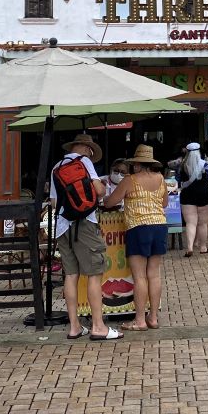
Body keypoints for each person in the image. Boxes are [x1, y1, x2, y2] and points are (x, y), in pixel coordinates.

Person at [50, 133, 122, 341]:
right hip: (86, 224)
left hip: (63, 227)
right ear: (86, 148)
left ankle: (74, 327)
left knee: (71, 275)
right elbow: (99, 191)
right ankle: (98, 326)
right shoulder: (85, 162)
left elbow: (55, 203)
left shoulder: (56, 167)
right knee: (94, 274)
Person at [105, 145, 167, 331]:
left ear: (137, 164)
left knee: (139, 276)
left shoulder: (129, 180)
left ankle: (139, 320)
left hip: (138, 228)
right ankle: (153, 317)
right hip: (159, 226)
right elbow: (164, 203)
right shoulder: (160, 178)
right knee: (154, 274)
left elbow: (110, 202)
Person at [176, 142, 208, 257]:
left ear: (187, 152)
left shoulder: (182, 165)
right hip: (204, 194)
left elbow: (178, 179)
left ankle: (189, 247)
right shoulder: (205, 164)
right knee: (202, 223)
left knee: (190, 223)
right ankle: (203, 247)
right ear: (198, 152)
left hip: (187, 195)